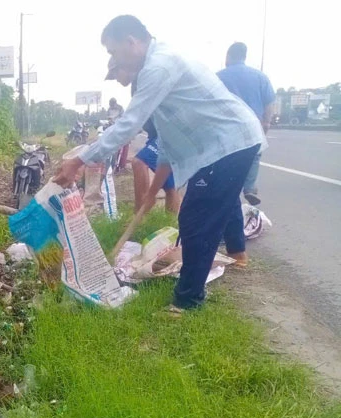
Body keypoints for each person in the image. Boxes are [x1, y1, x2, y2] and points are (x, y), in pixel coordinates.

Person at [54, 15, 265, 314]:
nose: (114, 60)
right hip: (222, 146)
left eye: (113, 52)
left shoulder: (159, 66)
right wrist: (154, 191)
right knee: (198, 217)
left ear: (131, 42)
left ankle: (187, 301)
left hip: (229, 143)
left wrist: (79, 159)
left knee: (198, 220)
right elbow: (167, 140)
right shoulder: (157, 68)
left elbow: (128, 125)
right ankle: (193, 289)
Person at [105, 56, 180, 214]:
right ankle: (171, 227)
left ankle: (139, 218)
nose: (116, 80)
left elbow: (135, 115)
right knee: (170, 186)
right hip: (158, 134)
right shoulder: (138, 83)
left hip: (169, 134)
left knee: (139, 162)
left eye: (115, 74)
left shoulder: (144, 78)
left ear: (125, 65)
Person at [217, 42, 276, 206]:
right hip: (253, 125)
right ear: (244, 56)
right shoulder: (260, 77)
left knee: (228, 160)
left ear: (228, 56)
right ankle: (249, 188)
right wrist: (266, 122)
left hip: (228, 128)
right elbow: (269, 103)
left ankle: (229, 189)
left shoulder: (219, 76)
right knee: (254, 155)